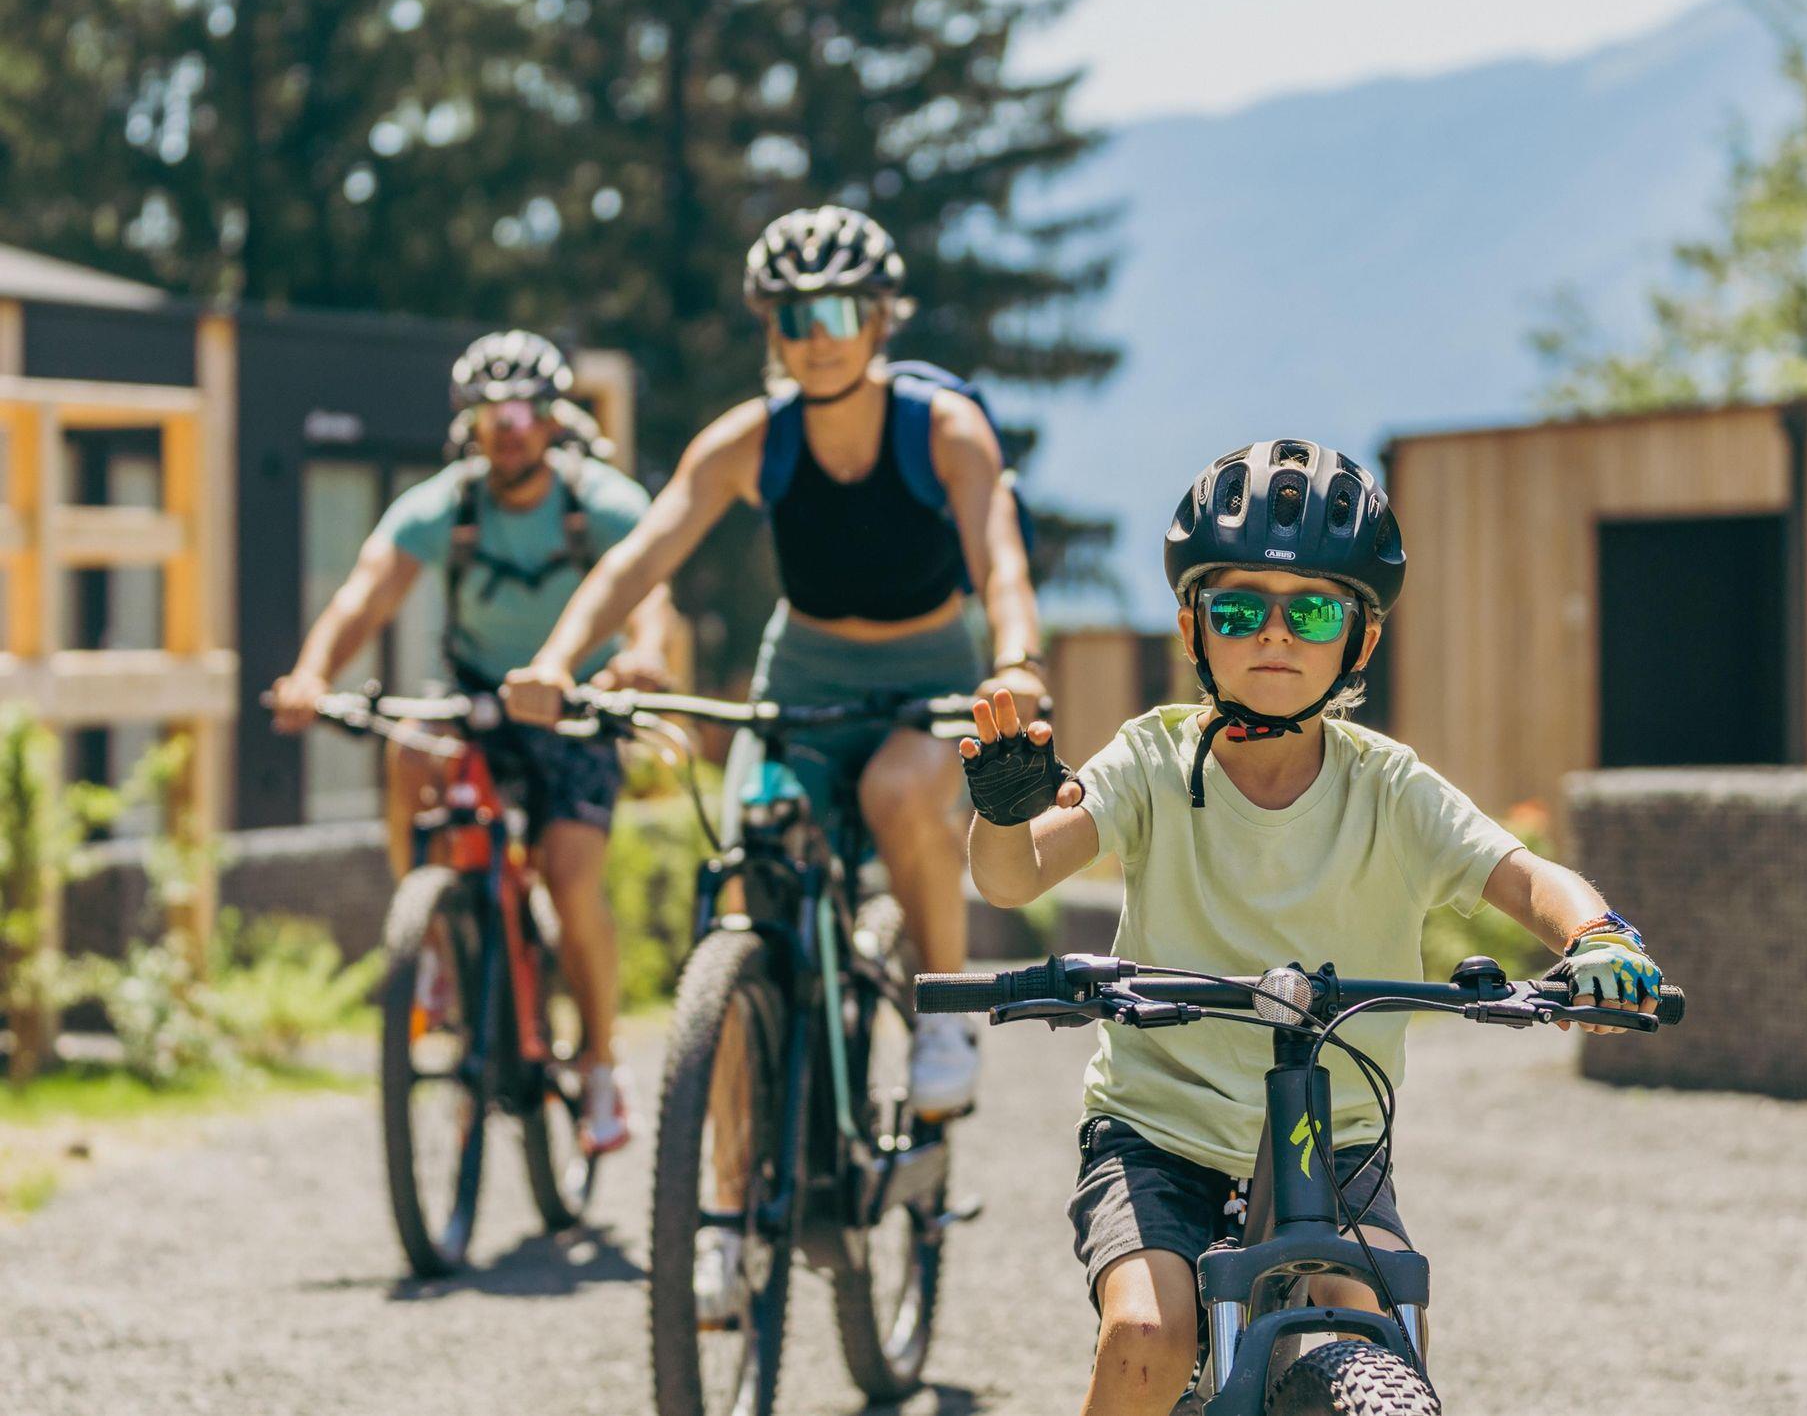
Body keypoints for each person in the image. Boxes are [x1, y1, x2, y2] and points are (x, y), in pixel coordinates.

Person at [956, 438, 1665, 1416]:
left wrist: (1598, 936)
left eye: (1314, 611)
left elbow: (1527, 877)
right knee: (1145, 1336)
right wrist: (1003, 815)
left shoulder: (1389, 787)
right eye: (1238, 610)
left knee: (1385, 1326)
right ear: (1192, 627)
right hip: (1160, 1130)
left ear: (1359, 641)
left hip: (1336, 1140)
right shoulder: (1154, 759)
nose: (1274, 636)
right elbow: (1015, 875)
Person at [500, 206, 1047, 1304]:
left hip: (929, 669)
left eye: (840, 310)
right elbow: (639, 557)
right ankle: (725, 1213)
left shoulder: (943, 429)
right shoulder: (750, 440)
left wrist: (1018, 660)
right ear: (772, 329)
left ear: (880, 317)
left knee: (900, 790)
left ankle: (944, 1019)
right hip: (801, 671)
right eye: (794, 316)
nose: (818, 336)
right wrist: (556, 657)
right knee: (748, 879)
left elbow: (1000, 559)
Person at [270, 330, 677, 1155]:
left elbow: (648, 594)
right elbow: (366, 593)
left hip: (576, 706)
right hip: (478, 695)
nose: (508, 430)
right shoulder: (445, 506)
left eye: (523, 413)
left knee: (571, 878)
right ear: (470, 425)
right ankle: (432, 933)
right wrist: (311, 674)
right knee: (410, 749)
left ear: (552, 419)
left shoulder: (601, 502)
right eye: (491, 415)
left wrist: (643, 656)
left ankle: (602, 1061)